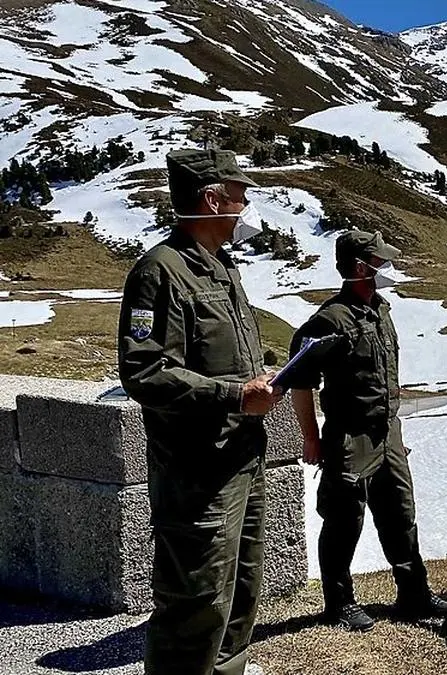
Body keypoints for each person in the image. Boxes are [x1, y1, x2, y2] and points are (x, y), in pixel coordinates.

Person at [118, 148, 282, 675]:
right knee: (197, 599)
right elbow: (144, 372)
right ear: (212, 199)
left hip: (241, 457)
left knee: (242, 586)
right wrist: (234, 396)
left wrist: (271, 374)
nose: (245, 207)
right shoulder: (160, 272)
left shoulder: (222, 269)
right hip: (198, 472)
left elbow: (225, 354)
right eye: (239, 197)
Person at [288, 230, 447, 632]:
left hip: (388, 433)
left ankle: (414, 594)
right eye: (382, 261)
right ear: (361, 267)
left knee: (400, 512)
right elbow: (300, 383)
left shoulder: (381, 310)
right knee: (345, 520)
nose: (389, 268)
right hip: (350, 436)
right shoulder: (328, 321)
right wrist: (311, 438)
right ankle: (339, 602)